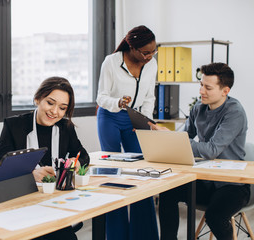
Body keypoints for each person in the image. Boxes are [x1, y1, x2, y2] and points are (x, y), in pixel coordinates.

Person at [150, 62, 250, 240]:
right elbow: (184, 136)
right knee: (168, 191)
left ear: (225, 91)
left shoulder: (235, 112)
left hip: (233, 186)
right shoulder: (198, 108)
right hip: (206, 180)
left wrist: (177, 139)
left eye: (208, 87)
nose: (201, 91)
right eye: (201, 85)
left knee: (215, 217)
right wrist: (165, 137)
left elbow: (211, 150)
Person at [0, 76, 90, 240]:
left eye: (62, 108)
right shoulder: (14, 125)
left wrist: (75, 162)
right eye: (50, 103)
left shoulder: (65, 128)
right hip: (23, 205)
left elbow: (84, 156)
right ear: (38, 99)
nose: (54, 111)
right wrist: (29, 175)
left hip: (55, 204)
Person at [96, 25, 159, 240]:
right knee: (114, 174)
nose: (150, 56)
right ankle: (116, 235)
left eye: (153, 51)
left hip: (135, 117)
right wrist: (118, 102)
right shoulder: (111, 62)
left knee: (142, 172)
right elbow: (101, 97)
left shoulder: (152, 65)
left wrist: (146, 121)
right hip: (110, 116)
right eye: (145, 52)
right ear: (132, 47)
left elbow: (150, 96)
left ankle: (145, 235)